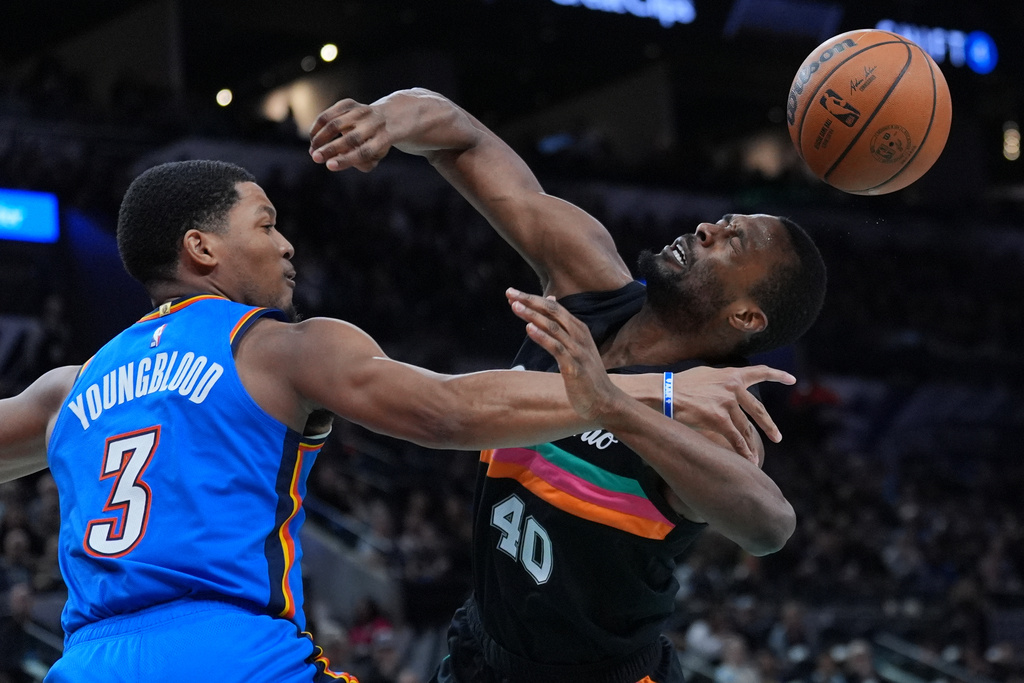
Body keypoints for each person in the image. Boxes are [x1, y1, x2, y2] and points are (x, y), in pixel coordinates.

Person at [0, 159, 795, 683]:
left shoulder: (71, 386)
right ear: (202, 247)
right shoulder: (277, 347)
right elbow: (442, 410)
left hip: (86, 661)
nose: (286, 245)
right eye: (267, 222)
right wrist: (642, 393)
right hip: (230, 652)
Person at [307, 88, 828, 683]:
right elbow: (462, 134)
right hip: (483, 650)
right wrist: (383, 120)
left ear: (745, 317)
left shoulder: (712, 406)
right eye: (721, 222)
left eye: (732, 241)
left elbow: (770, 527)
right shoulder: (588, 276)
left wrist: (611, 404)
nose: (707, 228)